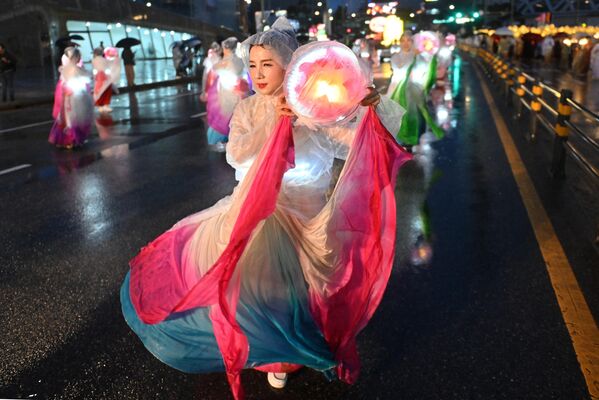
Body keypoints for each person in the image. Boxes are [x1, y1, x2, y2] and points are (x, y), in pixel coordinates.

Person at [121, 17, 409, 399]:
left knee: (299, 296)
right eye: (253, 64)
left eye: (267, 64)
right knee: (256, 290)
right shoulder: (248, 109)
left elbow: (356, 142)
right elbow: (237, 153)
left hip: (307, 218)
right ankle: (268, 355)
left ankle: (287, 354)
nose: (257, 73)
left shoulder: (317, 110)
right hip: (255, 213)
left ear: (289, 67)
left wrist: (366, 109)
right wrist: (275, 120)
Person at [201, 37, 250, 151]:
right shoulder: (240, 60)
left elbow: (214, 68)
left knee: (225, 116)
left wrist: (214, 60)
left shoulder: (224, 61)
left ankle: (225, 139)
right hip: (239, 91)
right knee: (238, 115)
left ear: (226, 48)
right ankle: (238, 138)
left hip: (227, 92)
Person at [48, 47, 93, 148]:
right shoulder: (73, 69)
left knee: (70, 118)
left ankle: (70, 140)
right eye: (77, 57)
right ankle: (70, 140)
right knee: (72, 119)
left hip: (72, 96)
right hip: (72, 97)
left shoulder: (70, 69)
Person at [387, 32, 416, 97]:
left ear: (412, 42)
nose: (406, 43)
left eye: (408, 40)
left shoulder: (417, 56)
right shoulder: (395, 57)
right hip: (397, 88)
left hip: (413, 88)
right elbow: (401, 68)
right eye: (403, 41)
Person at [92, 47, 121, 112]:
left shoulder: (95, 60)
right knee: (106, 92)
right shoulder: (103, 60)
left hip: (100, 78)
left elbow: (95, 70)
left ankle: (101, 106)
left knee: (100, 91)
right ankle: (105, 105)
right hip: (104, 77)